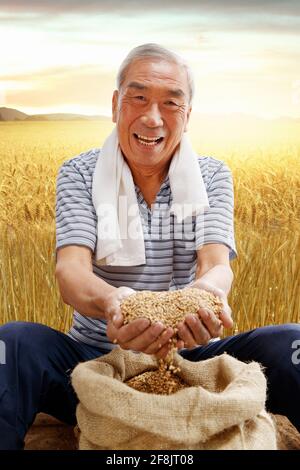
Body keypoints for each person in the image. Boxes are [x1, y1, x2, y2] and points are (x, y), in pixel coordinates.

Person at [0, 43, 299, 450]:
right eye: (138, 98)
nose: (152, 117)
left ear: (187, 115)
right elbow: (71, 273)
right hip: (96, 358)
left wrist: (207, 297)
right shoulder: (79, 172)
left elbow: (216, 265)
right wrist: (114, 303)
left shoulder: (212, 175)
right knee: (11, 343)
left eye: (171, 103)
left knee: (293, 343)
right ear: (115, 104)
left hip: (194, 358)